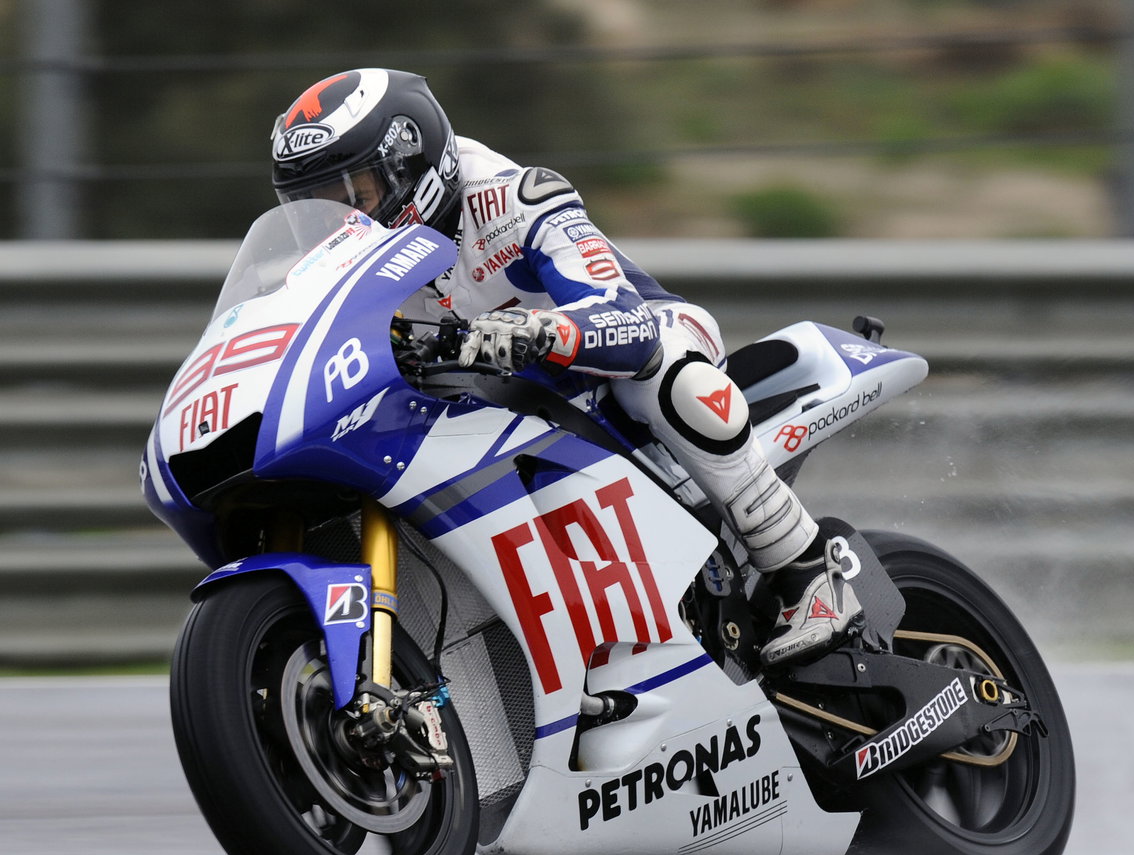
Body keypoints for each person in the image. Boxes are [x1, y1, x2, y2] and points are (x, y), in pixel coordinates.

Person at [269, 68, 859, 666]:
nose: (344, 224)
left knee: (668, 380)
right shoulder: (343, 266)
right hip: (495, 398)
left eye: (357, 197)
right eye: (315, 208)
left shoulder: (512, 197)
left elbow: (627, 321)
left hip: (630, 344)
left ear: (412, 165)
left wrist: (541, 331)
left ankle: (805, 571)